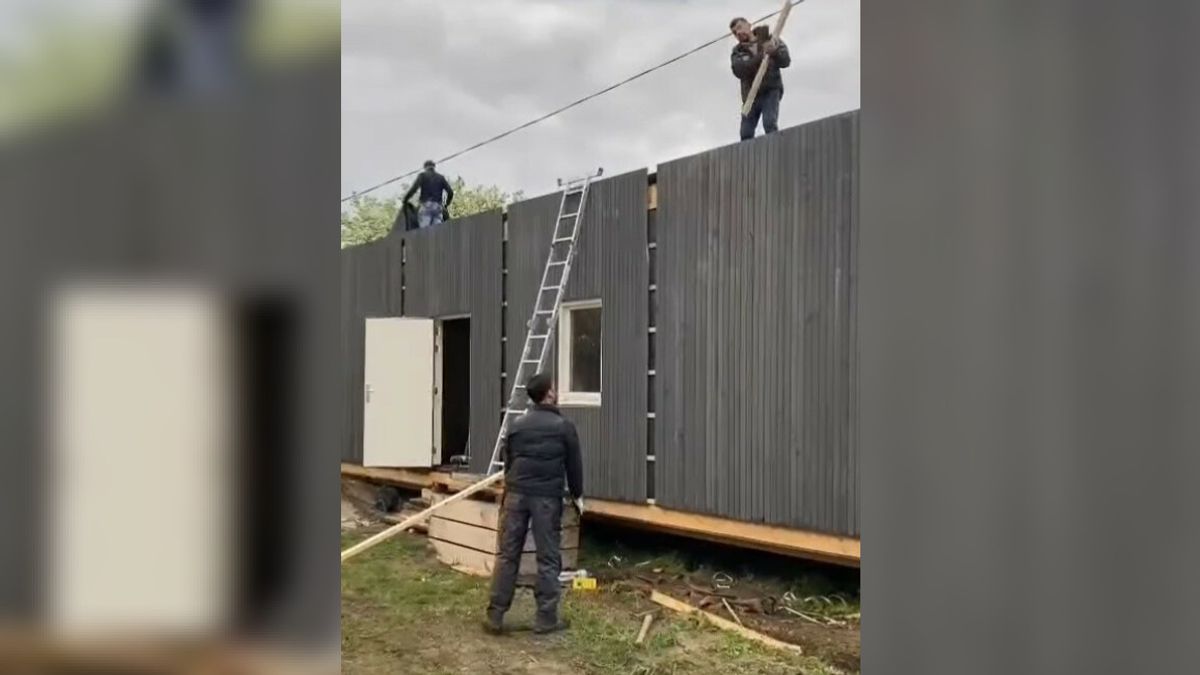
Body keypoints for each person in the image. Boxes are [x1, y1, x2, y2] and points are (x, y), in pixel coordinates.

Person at [485, 373, 584, 635]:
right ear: (549, 394)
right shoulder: (564, 427)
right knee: (548, 557)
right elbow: (574, 466)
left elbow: (508, 460)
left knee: (508, 555)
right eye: (555, 388)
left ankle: (495, 614)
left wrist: (511, 484)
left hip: (516, 495)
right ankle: (546, 618)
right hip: (546, 499)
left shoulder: (517, 425)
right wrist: (577, 495)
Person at [729, 17, 791, 141]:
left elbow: (785, 61)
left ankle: (775, 149)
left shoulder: (770, 39)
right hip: (751, 96)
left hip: (770, 90)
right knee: (746, 132)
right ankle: (746, 157)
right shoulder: (737, 52)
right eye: (735, 33)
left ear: (749, 25)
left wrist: (774, 52)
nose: (739, 33)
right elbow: (740, 70)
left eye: (740, 28)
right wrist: (761, 56)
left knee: (769, 123)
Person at [403, 160, 454, 229]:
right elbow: (450, 192)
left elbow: (414, 189)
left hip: (426, 206)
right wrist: (446, 204)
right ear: (434, 167)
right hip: (438, 207)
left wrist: (405, 199)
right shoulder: (440, 177)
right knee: (437, 231)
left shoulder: (422, 176)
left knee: (425, 231)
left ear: (425, 167)